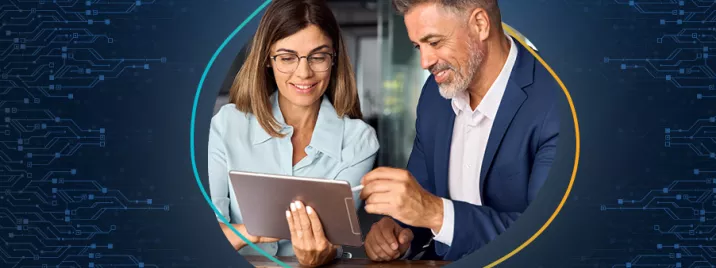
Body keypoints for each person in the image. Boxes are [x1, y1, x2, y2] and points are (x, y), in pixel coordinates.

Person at [359, 0, 560, 261]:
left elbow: (546, 235)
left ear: (480, 24)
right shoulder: (434, 95)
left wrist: (435, 213)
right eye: (417, 46)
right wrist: (397, 232)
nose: (425, 61)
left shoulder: (556, 101)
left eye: (434, 42)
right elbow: (421, 200)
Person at [207, 0, 379, 266]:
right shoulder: (227, 125)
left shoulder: (359, 141)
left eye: (318, 56)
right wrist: (253, 231)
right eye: (287, 58)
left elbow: (334, 238)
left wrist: (320, 255)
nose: (304, 73)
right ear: (267, 59)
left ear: (333, 59)